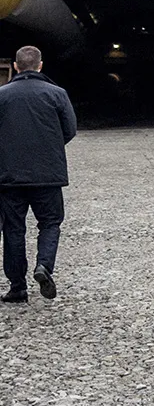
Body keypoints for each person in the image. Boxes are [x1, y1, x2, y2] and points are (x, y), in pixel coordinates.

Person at [0, 46, 76, 303]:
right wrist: (49, 146)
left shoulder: (2, 95)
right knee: (50, 223)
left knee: (13, 228)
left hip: (9, 175)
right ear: (40, 66)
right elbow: (70, 129)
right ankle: (44, 266)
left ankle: (17, 286)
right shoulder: (57, 94)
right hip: (48, 173)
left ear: (16, 66)